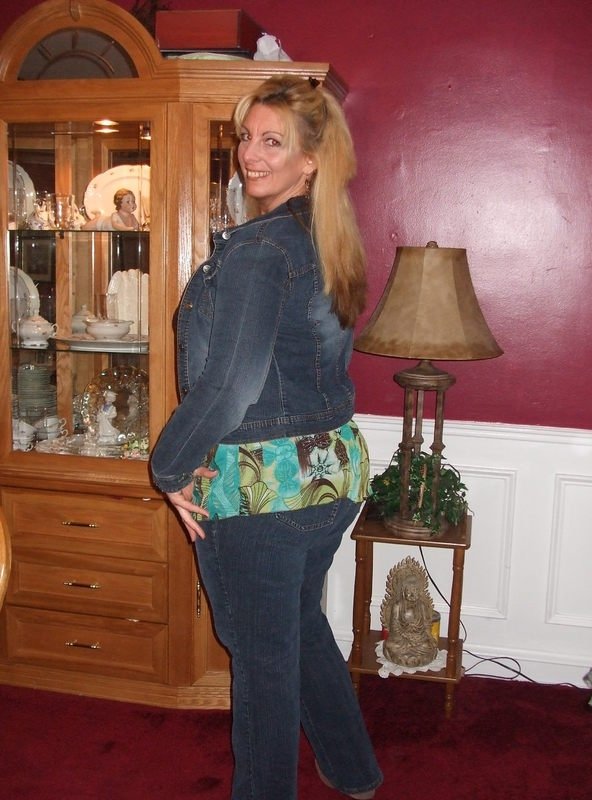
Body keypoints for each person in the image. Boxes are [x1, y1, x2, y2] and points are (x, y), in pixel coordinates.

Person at [150, 75, 383, 800]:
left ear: (310, 159)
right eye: (246, 136)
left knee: (261, 659)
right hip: (330, 471)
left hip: (263, 485)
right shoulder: (328, 237)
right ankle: (354, 769)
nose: (250, 153)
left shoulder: (260, 250)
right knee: (299, 628)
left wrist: (169, 468)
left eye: (272, 141)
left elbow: (230, 386)